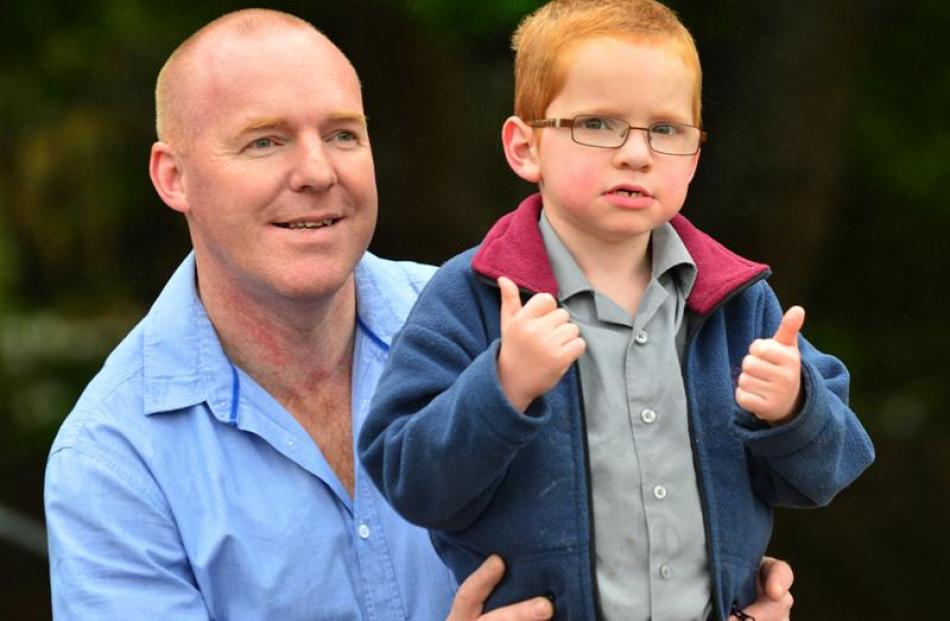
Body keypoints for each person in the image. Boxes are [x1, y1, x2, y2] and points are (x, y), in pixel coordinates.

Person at [43, 7, 795, 621]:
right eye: (265, 141)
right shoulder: (112, 460)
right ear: (173, 177)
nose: (317, 172)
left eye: (343, 133)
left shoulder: (496, 312)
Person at [359, 1, 874, 620]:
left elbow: (830, 471)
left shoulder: (737, 300)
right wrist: (502, 388)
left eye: (666, 129)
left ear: (695, 155)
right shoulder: (473, 295)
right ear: (525, 148)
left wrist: (793, 409)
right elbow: (410, 482)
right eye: (598, 124)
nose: (637, 153)